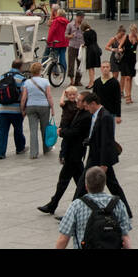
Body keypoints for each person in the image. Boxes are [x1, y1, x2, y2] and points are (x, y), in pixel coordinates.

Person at [79, 90, 131, 218]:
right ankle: (126, 211)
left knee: (113, 185)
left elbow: (106, 141)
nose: (86, 109)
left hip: (100, 157)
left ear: (93, 104)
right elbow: (95, 134)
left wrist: (104, 163)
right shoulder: (97, 114)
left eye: (86, 106)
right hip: (95, 154)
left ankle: (126, 210)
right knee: (82, 184)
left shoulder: (106, 116)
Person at [56, 166, 132, 249]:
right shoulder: (118, 204)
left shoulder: (77, 205)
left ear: (86, 186)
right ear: (104, 184)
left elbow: (63, 239)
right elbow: (125, 237)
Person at [39, 86, 86, 217]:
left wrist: (62, 132)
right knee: (80, 182)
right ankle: (55, 205)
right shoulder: (78, 111)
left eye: (79, 99)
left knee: (65, 181)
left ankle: (55, 206)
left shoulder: (83, 115)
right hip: (73, 153)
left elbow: (75, 133)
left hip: (74, 153)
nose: (76, 101)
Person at [0, 60, 27, 159]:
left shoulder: (2, 77)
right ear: (21, 67)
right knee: (18, 129)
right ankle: (20, 148)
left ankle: (1, 153)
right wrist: (23, 109)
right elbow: (24, 95)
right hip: (16, 110)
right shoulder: (22, 79)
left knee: (2, 131)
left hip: (2, 110)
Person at [22, 62, 54, 159]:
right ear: (40, 71)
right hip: (44, 106)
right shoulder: (45, 81)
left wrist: (22, 109)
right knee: (44, 129)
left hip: (30, 106)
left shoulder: (27, 82)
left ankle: (33, 153)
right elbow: (49, 96)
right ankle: (46, 149)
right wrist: (52, 108)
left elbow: (24, 98)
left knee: (33, 130)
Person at [120, 25, 138, 104]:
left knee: (131, 78)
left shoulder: (136, 38)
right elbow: (120, 46)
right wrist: (121, 49)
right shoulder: (126, 36)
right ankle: (127, 97)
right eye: (132, 31)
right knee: (127, 77)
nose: (133, 33)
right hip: (125, 59)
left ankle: (130, 95)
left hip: (133, 60)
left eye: (135, 31)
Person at [66, 12, 85, 86]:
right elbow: (66, 35)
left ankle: (78, 80)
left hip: (81, 47)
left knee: (80, 65)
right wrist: (70, 36)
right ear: (77, 17)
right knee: (71, 64)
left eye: (82, 18)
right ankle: (71, 80)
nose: (82, 19)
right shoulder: (70, 25)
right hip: (72, 46)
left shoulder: (84, 25)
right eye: (80, 17)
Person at [46, 10, 68, 74]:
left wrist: (48, 41)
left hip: (56, 42)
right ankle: (63, 70)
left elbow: (51, 31)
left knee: (55, 57)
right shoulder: (67, 22)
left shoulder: (56, 21)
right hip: (64, 42)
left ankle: (55, 71)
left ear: (59, 14)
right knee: (62, 55)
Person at [81, 20, 100, 86]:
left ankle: (91, 83)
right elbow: (95, 40)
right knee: (93, 67)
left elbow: (87, 43)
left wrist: (83, 45)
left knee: (90, 67)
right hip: (96, 49)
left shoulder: (85, 33)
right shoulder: (93, 31)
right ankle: (92, 81)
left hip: (90, 51)